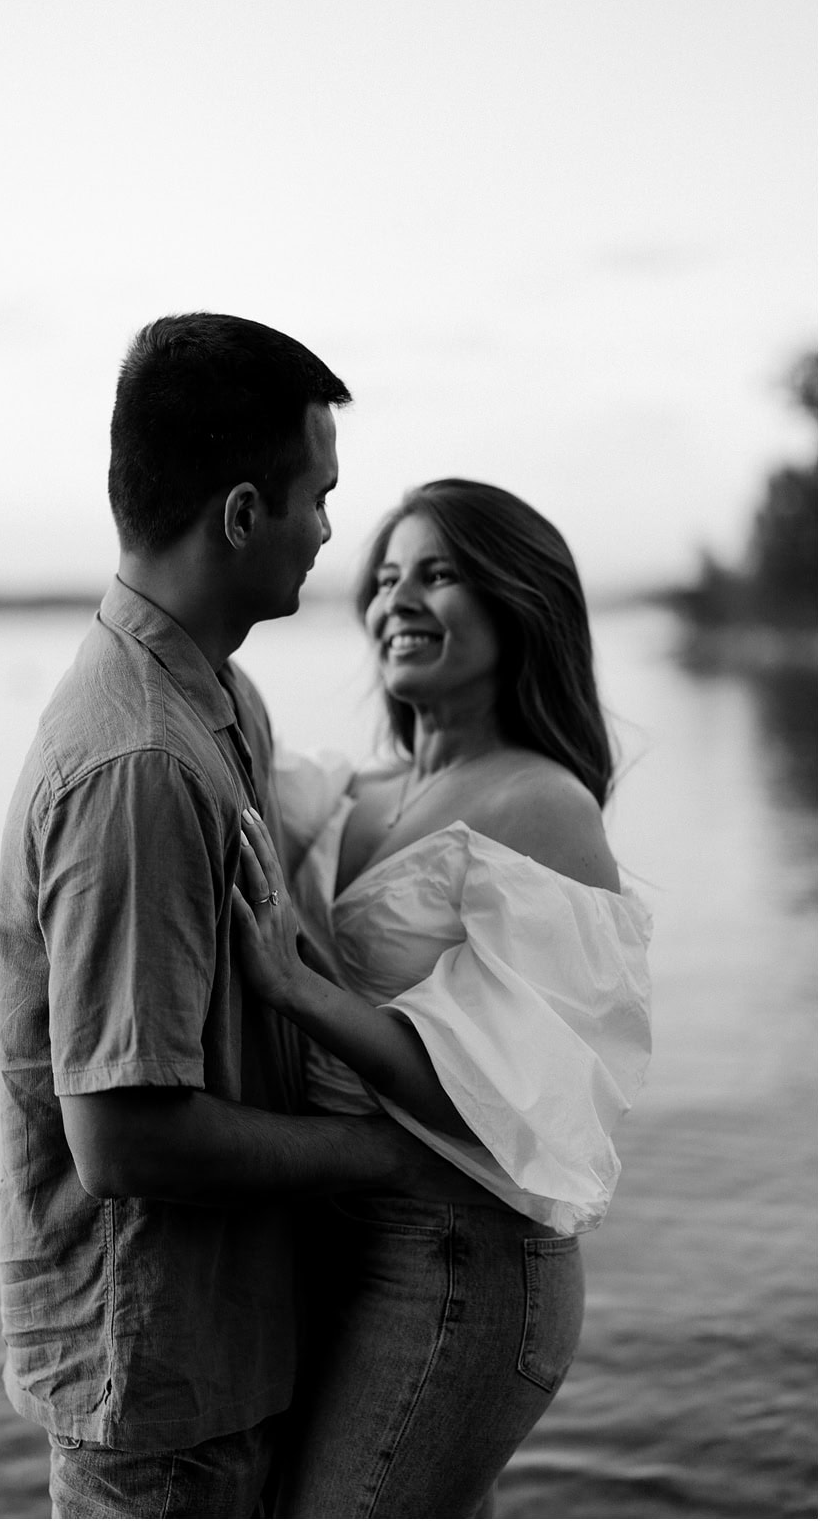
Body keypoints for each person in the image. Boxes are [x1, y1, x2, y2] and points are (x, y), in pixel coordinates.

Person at [0, 313, 489, 1519]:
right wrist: (392, 1153)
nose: (329, 529)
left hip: (235, 1355)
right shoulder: (139, 762)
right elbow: (122, 1139)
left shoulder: (218, 697)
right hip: (163, 1402)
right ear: (238, 514)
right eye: (314, 496)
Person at [230, 479, 652, 1516]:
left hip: (464, 1260)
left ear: (518, 603)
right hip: (337, 1233)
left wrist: (295, 988)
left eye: (439, 573)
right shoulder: (347, 792)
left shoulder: (538, 804)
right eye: (382, 580)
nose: (397, 602)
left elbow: (500, 1097)